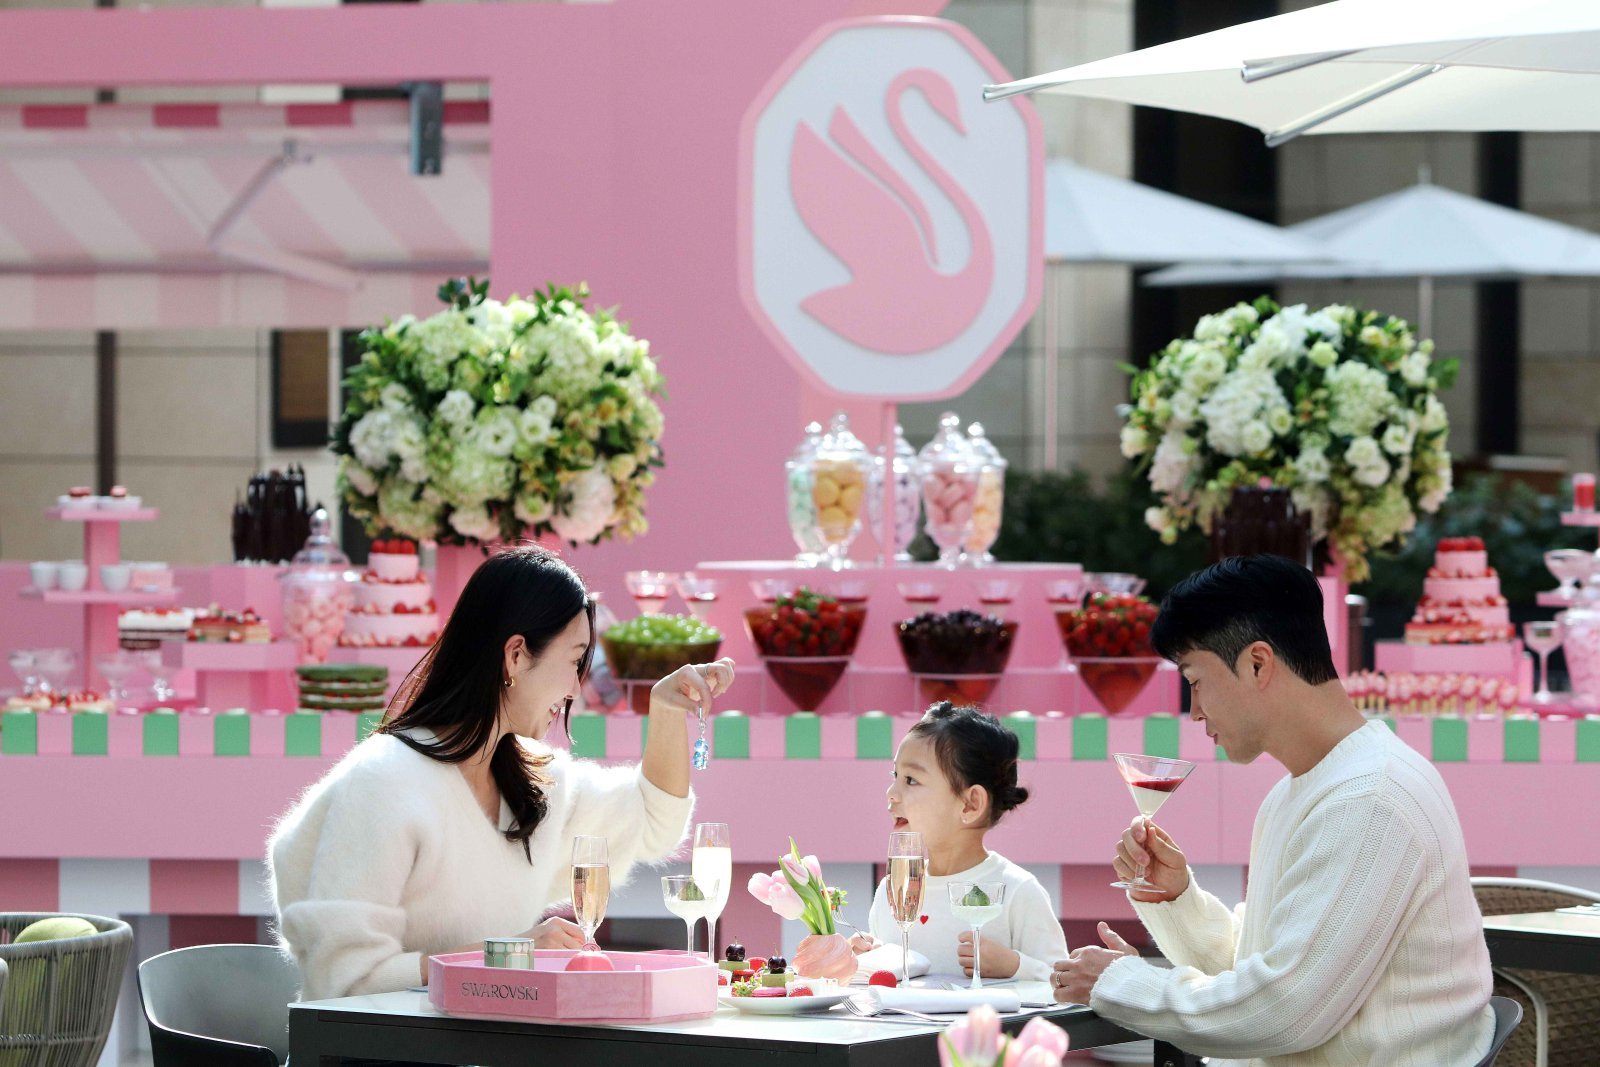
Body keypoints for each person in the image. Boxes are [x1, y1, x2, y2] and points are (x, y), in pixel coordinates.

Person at [1051, 554, 1493, 1066]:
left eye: (1195, 680)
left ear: (1257, 663)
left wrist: (1119, 983)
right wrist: (1176, 899)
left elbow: (1282, 1011)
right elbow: (1263, 968)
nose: (1194, 711)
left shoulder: (1369, 799)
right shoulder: (1305, 790)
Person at [269, 546, 734, 1001]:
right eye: (574, 661)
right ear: (515, 656)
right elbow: (344, 982)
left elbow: (653, 823)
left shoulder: (536, 781)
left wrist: (666, 711)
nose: (575, 689)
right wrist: (509, 953)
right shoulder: (384, 781)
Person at [852, 702, 1068, 982]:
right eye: (895, 776)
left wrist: (1015, 966)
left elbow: (1064, 983)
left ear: (970, 804)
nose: (891, 793)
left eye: (911, 780)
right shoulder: (891, 891)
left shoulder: (1018, 891)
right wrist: (866, 960)